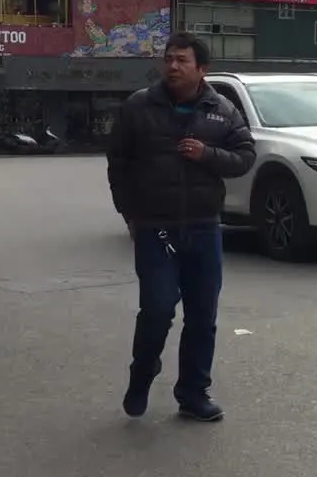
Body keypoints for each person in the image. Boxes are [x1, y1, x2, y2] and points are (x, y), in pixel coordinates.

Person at [107, 33, 257, 423]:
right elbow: (118, 163)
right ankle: (142, 372)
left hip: (204, 228)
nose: (172, 66)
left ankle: (193, 394)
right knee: (157, 309)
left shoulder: (222, 110)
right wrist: (129, 214)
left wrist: (207, 154)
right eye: (168, 59)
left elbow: (245, 157)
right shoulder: (139, 106)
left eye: (182, 60)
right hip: (156, 227)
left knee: (202, 316)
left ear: (201, 69)